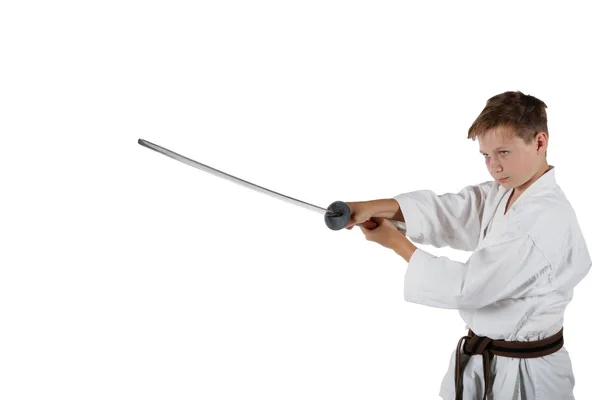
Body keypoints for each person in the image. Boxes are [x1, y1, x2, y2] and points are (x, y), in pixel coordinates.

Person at [344, 91, 592, 400]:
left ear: (539, 142)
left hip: (527, 378)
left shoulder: (542, 219)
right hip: (488, 361)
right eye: (486, 155)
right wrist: (375, 206)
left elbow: (469, 286)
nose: (494, 167)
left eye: (503, 152)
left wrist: (396, 243)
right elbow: (455, 212)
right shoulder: (509, 191)